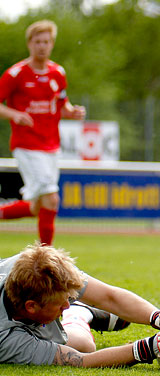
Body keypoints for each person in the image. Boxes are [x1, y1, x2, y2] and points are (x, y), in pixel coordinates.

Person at [0, 242, 160, 367]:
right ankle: (79, 314)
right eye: (61, 304)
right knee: (84, 346)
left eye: (70, 299)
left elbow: (108, 297)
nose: (66, 302)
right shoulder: (6, 340)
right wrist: (148, 347)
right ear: (31, 307)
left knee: (81, 342)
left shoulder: (32, 267)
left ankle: (79, 313)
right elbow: (82, 361)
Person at [0, 20, 86, 245]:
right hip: (27, 145)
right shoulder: (16, 74)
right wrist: (14, 114)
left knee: (37, 206)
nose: (42, 46)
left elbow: (62, 105)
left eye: (46, 42)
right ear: (29, 44)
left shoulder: (58, 73)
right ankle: (47, 256)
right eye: (37, 41)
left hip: (51, 146)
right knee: (51, 198)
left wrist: (72, 112)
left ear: (52, 44)